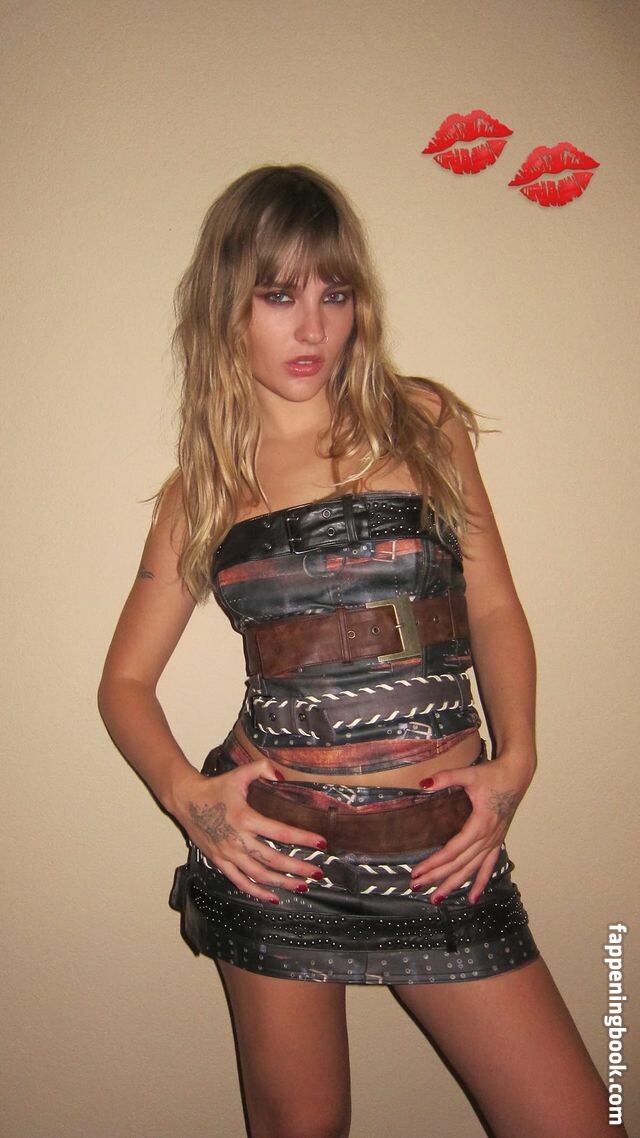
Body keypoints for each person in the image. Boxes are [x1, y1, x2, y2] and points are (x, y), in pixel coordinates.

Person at [98, 164, 620, 1138]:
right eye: (278, 295)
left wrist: (516, 762)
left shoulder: (422, 423)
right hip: (278, 852)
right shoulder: (201, 492)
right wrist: (189, 797)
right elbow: (124, 683)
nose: (312, 328)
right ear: (226, 305)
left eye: (333, 295)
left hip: (439, 849)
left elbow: (493, 605)